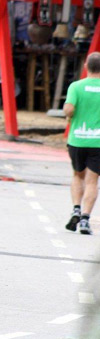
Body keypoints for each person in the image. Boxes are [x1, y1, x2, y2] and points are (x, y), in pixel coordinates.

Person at [63, 52, 100, 235]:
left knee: (78, 175)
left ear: (86, 66)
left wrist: (69, 113)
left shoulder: (76, 86)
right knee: (92, 180)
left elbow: (69, 109)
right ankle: (85, 218)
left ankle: (76, 208)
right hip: (98, 142)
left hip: (77, 139)